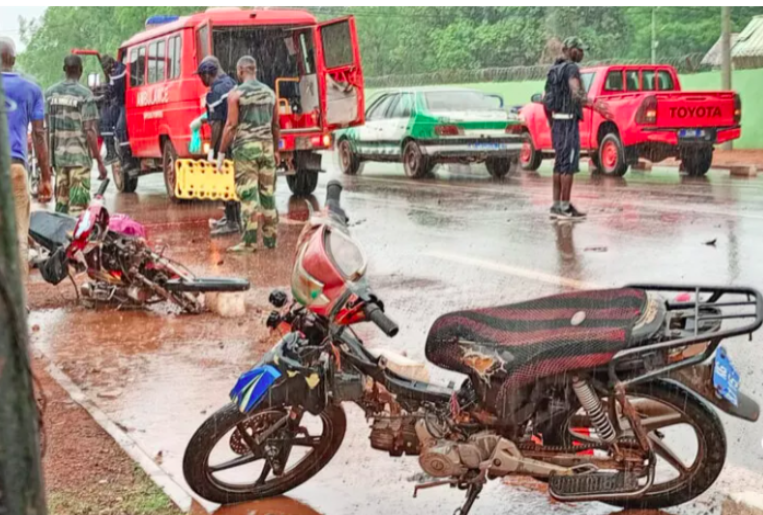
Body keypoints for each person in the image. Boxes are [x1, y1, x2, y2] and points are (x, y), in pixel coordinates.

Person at [1, 36, 52, 291]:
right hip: (15, 168)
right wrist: (45, 178)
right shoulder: (31, 89)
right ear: (13, 60)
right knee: (21, 237)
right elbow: (40, 136)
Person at [218, 55, 280, 253]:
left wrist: (220, 153)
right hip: (267, 148)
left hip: (246, 150)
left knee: (248, 195)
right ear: (255, 70)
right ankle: (271, 238)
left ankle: (249, 242)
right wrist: (277, 150)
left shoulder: (235, 95)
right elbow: (276, 124)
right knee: (268, 193)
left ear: (240, 71)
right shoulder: (271, 93)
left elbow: (231, 126)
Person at [544, 36, 609, 220]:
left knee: (559, 164)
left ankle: (557, 205)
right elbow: (576, 94)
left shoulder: (554, 69)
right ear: (572, 50)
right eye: (580, 50)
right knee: (568, 166)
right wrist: (595, 105)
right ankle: (564, 208)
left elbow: (546, 100)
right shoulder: (571, 68)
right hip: (568, 124)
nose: (582, 54)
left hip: (558, 123)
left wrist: (552, 123)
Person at [46, 55, 108, 215]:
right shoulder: (85, 94)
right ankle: (76, 239)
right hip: (79, 160)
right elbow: (89, 130)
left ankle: (60, 238)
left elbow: (46, 129)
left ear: (64, 69)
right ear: (81, 71)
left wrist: (48, 160)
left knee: (61, 207)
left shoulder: (50, 94)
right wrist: (99, 161)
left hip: (59, 160)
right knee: (78, 208)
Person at [196, 56, 241, 237]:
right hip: (239, 139)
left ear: (208, 74)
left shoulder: (216, 91)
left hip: (227, 141)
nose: (201, 80)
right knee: (233, 178)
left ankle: (233, 222)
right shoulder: (230, 82)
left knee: (226, 178)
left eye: (201, 76)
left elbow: (217, 124)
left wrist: (214, 150)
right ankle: (232, 217)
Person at [101, 54, 135, 170]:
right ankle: (111, 152)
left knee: (120, 128)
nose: (105, 71)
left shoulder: (119, 71)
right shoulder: (114, 72)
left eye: (105, 68)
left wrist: (106, 90)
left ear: (110, 64)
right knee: (106, 119)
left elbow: (113, 88)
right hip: (120, 102)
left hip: (127, 102)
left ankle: (127, 158)